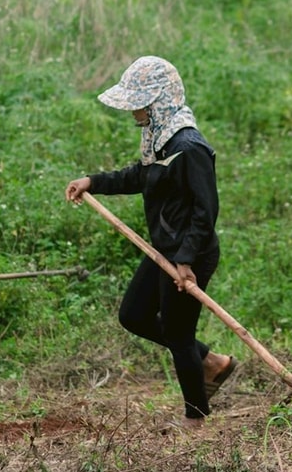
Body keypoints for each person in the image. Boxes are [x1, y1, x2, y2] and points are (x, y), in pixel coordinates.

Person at [65, 56, 233, 429]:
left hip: (191, 253)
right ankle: (211, 362)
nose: (134, 111)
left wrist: (187, 258)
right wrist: (93, 181)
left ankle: (196, 418)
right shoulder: (159, 139)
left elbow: (206, 212)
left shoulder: (189, 147)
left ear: (157, 101)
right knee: (133, 315)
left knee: (177, 333)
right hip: (165, 251)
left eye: (138, 103)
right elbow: (140, 178)